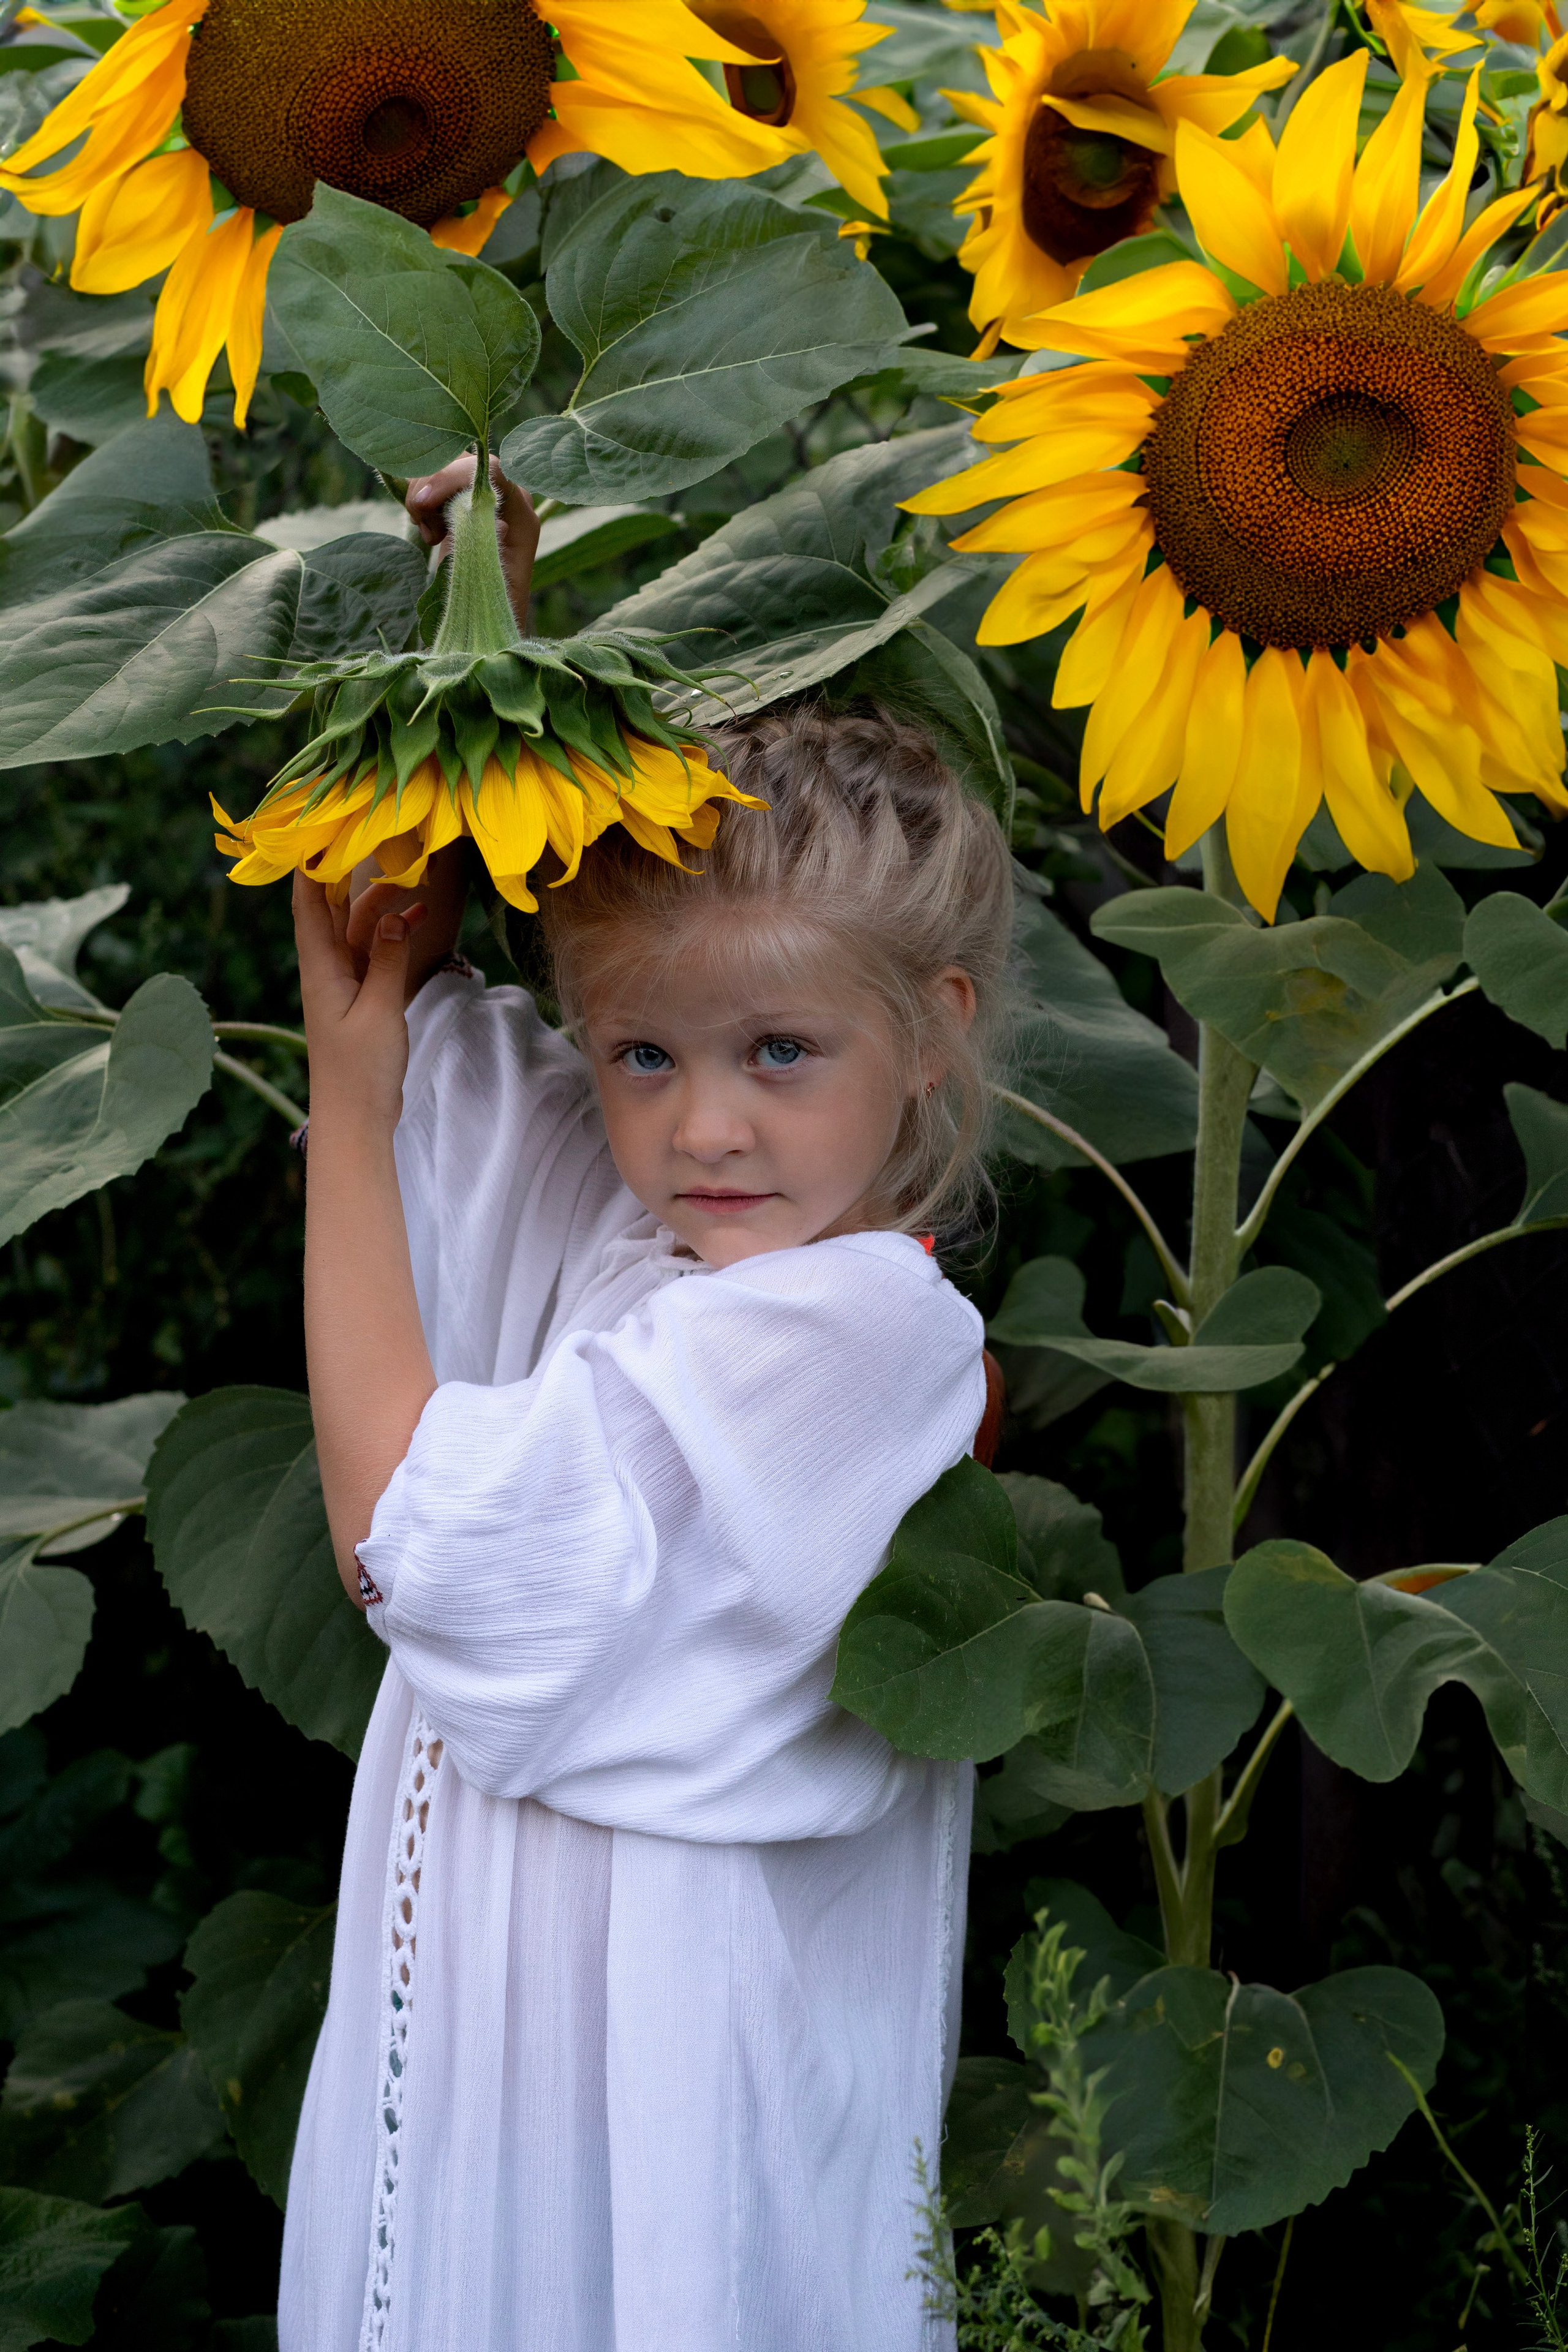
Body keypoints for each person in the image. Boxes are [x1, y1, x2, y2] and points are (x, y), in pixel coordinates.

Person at [278, 458, 1015, 2352]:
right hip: (516, 2096)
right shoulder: (646, 1240)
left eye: (782, 1051)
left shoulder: (862, 1337)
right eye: (643, 1054)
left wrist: (340, 1110)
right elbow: (401, 963)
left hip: (665, 2114)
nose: (702, 1124)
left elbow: (425, 1557)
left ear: (933, 1029)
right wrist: (478, 631)